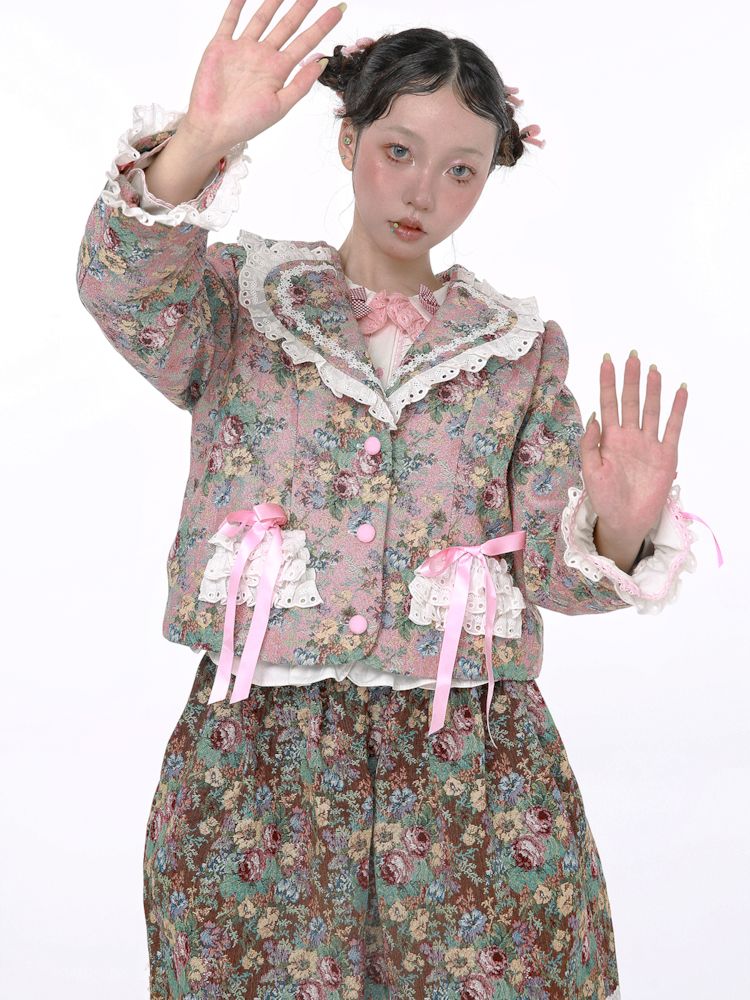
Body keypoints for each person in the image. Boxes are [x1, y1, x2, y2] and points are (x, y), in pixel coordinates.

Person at [76, 0, 720, 996]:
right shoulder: (242, 304)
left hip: (472, 761)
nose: (425, 190)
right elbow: (124, 290)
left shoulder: (516, 350)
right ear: (348, 141)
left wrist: (623, 525)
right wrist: (201, 138)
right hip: (261, 754)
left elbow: (553, 574)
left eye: (461, 169)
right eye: (400, 151)